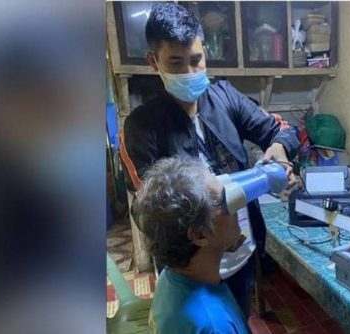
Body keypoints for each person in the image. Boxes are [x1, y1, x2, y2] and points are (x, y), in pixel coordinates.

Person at [119, 3, 299, 318]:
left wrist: (280, 150)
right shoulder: (140, 126)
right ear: (153, 61)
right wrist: (206, 225)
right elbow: (148, 211)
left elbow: (280, 130)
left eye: (195, 60)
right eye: (175, 62)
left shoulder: (226, 97)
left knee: (236, 318)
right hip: (192, 266)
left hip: (241, 250)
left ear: (205, 54)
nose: (188, 72)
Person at [133, 158, 250, 334]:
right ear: (199, 234)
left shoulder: (170, 277)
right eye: (223, 201)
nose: (234, 203)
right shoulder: (215, 326)